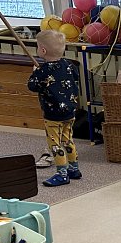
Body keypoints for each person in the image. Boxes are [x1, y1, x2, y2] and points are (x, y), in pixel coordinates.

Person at [27, 30, 81, 187]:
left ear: (43, 50)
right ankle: (74, 168)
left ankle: (62, 174)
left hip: (53, 115)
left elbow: (32, 86)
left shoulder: (43, 70)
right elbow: (75, 77)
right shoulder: (69, 65)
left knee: (55, 144)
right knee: (68, 140)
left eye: (38, 47)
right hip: (70, 112)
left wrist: (35, 73)